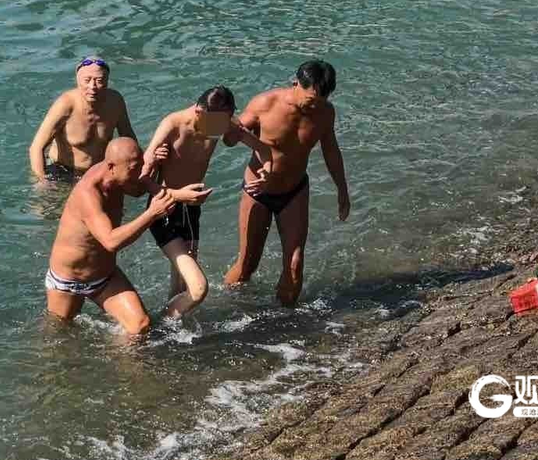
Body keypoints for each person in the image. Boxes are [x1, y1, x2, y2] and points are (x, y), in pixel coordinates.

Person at [44, 138, 209, 335]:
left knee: (141, 326)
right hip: (69, 280)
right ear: (111, 166)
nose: (140, 173)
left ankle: (116, 354)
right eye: (134, 168)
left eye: (140, 165)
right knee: (60, 334)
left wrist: (169, 183)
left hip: (105, 276)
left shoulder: (119, 175)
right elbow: (110, 241)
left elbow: (139, 188)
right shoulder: (89, 194)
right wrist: (151, 214)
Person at [223, 60, 351, 306]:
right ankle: (229, 312)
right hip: (257, 192)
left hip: (294, 192)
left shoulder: (325, 112)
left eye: (321, 101)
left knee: (295, 264)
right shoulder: (265, 104)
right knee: (248, 264)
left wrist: (342, 190)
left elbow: (331, 150)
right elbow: (230, 139)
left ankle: (286, 320)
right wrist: (231, 130)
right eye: (310, 100)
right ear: (295, 83)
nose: (315, 106)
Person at [141, 86, 272, 318]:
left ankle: (172, 327)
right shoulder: (172, 125)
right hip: (164, 208)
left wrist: (266, 172)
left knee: (181, 283)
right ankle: (161, 324)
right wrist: (177, 194)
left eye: (226, 121)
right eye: (217, 124)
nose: (221, 129)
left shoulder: (219, 123)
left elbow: (264, 150)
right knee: (196, 287)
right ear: (199, 112)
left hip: (192, 209)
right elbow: (143, 178)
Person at [29, 57, 147, 182]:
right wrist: (42, 181)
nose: (92, 86)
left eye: (99, 81)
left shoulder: (115, 102)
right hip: (62, 171)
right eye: (87, 80)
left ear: (107, 81)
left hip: (98, 171)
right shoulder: (65, 104)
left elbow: (128, 138)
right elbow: (36, 148)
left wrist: (145, 165)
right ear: (77, 80)